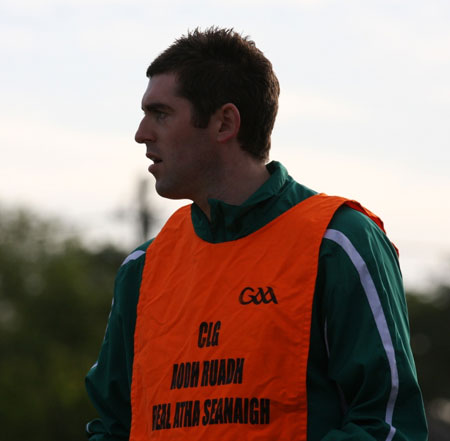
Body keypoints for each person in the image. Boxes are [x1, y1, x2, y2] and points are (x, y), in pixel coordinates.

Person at [85, 27, 428, 440]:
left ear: (224, 123)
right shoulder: (141, 269)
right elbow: (112, 428)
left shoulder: (337, 241)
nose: (141, 133)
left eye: (160, 113)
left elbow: (388, 427)